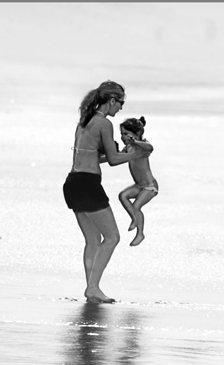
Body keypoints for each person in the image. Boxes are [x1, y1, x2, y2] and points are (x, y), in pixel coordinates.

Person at [62, 81, 150, 304]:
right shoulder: (104, 123)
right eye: (120, 103)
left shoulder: (84, 121)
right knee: (112, 237)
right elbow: (112, 160)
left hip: (73, 182)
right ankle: (92, 288)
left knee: (93, 240)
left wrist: (125, 153)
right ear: (111, 100)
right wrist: (136, 154)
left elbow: (95, 157)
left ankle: (92, 288)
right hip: (88, 184)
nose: (120, 108)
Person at [117, 116, 157, 247]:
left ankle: (140, 233)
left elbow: (150, 148)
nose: (123, 137)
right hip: (139, 186)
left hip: (149, 186)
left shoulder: (142, 146)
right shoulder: (128, 148)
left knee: (136, 206)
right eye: (121, 134)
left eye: (126, 134)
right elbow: (116, 158)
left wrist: (135, 142)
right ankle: (135, 218)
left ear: (137, 134)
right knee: (123, 195)